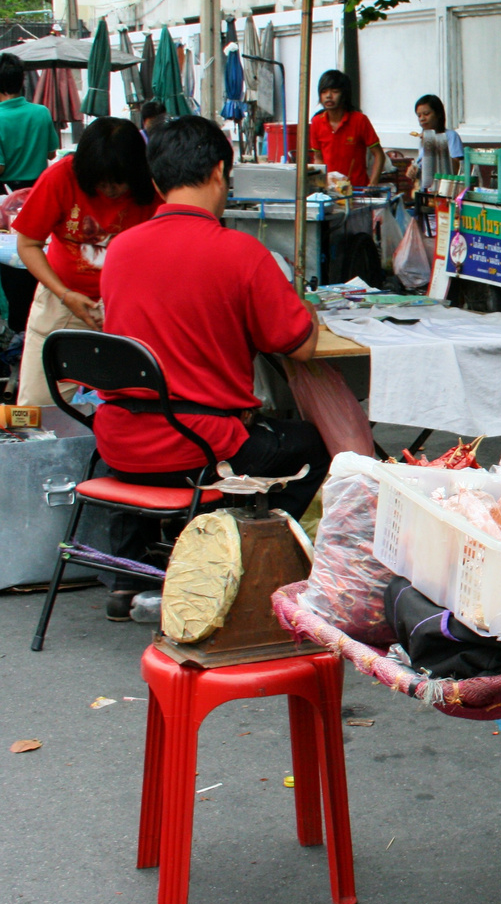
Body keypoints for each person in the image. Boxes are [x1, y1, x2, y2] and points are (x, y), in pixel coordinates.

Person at [97, 115, 328, 620]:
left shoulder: (119, 249)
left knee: (160, 419)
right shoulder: (240, 252)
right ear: (222, 171)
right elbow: (300, 346)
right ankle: (243, 564)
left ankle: (126, 578)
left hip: (121, 440)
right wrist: (304, 307)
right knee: (312, 444)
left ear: (156, 183)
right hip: (199, 445)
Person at [12, 116, 158, 406]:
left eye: (119, 181)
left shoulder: (154, 186)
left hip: (131, 305)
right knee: (36, 406)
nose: (111, 191)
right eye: (101, 182)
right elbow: (28, 244)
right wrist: (65, 295)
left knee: (139, 402)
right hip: (62, 298)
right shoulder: (60, 177)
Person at [0, 51, 60, 335]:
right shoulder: (42, 112)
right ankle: (39, 321)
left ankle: (16, 330)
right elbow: (51, 152)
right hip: (39, 195)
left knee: (10, 263)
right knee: (38, 253)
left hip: (6, 199)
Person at [309, 69, 383, 188]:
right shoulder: (316, 122)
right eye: (324, 92)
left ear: (344, 94)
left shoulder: (360, 120)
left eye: (335, 91)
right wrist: (321, 184)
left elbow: (379, 155)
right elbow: (318, 158)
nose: (328, 96)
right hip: (330, 191)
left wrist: (373, 183)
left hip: (357, 191)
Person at [405, 93, 462, 190]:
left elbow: (456, 169)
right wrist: (413, 169)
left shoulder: (451, 136)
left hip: (444, 192)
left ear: (438, 114)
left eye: (426, 114)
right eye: (419, 116)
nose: (422, 119)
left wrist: (434, 143)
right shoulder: (424, 140)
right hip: (426, 192)